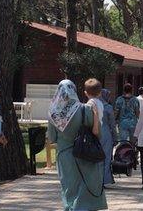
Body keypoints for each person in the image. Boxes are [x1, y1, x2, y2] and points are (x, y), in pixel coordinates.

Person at [48, 80, 107, 211]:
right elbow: (97, 133)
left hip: (65, 155)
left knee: (69, 186)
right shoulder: (85, 109)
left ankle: (71, 207)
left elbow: (52, 138)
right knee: (85, 184)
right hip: (84, 153)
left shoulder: (53, 112)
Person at [99, 88, 117, 186]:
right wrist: (115, 137)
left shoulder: (92, 106)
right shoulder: (108, 107)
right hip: (106, 133)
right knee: (106, 157)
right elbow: (112, 125)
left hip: (95, 132)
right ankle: (105, 179)